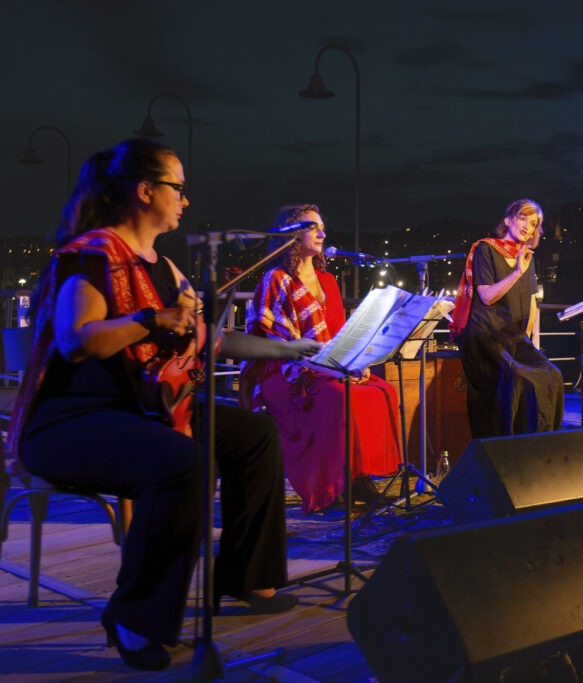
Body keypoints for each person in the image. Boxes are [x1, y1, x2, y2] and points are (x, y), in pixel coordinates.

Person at [6, 138, 320, 671]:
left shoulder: (166, 268)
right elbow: (76, 340)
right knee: (182, 462)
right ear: (145, 190)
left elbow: (209, 339)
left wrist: (290, 349)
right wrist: (152, 320)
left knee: (253, 435)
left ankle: (248, 577)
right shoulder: (92, 255)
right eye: (178, 187)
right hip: (72, 421)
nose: (186, 200)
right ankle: (136, 618)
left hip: (143, 409)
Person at [240, 204, 403, 515]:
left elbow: (340, 334)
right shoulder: (276, 279)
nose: (322, 233)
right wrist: (321, 367)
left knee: (382, 390)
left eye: (322, 227)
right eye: (312, 226)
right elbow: (272, 339)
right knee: (339, 397)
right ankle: (330, 487)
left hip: (328, 366)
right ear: (290, 234)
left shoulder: (327, 280)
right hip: (286, 370)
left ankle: (359, 478)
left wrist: (354, 362)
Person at [451, 198, 564, 438]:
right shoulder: (485, 249)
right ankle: (507, 447)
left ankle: (541, 443)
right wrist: (516, 273)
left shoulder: (528, 258)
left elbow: (531, 303)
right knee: (517, 377)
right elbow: (487, 296)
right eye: (522, 218)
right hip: (484, 334)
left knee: (553, 375)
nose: (527, 226)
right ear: (508, 220)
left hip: (514, 337)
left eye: (533, 224)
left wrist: (528, 342)